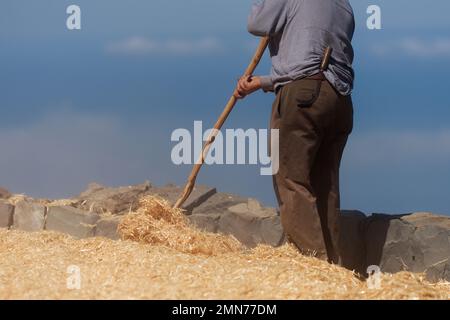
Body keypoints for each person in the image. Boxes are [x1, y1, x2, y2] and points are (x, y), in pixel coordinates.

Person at [234, 0, 355, 264]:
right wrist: (264, 83)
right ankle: (332, 269)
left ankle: (310, 266)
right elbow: (315, 60)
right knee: (326, 186)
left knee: (291, 179)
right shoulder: (343, 6)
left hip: (303, 97)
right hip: (338, 99)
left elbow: (257, 23)